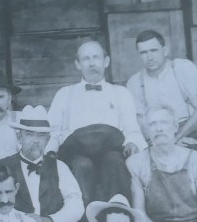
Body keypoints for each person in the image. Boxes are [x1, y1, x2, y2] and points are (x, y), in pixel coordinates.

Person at [46, 39, 145, 203]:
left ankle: (116, 211)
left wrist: (132, 143)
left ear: (106, 61)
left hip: (112, 154)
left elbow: (131, 129)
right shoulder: (65, 94)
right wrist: (50, 152)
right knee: (82, 165)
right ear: (78, 64)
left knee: (114, 161)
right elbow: (52, 130)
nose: (92, 63)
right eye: (86, 59)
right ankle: (82, 215)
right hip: (75, 155)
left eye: (96, 57)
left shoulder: (121, 93)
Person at [0, 105, 85, 222]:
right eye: (29, 134)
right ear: (19, 137)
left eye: (41, 135)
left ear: (48, 140)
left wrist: (49, 220)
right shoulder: (3, 167)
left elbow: (76, 204)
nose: (36, 140)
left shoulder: (59, 167)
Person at [125, 30, 197, 150]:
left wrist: (178, 137)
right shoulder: (134, 82)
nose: (149, 57)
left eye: (154, 50)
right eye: (143, 52)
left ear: (165, 51)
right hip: (155, 136)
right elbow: (140, 121)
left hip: (191, 130)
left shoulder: (182, 68)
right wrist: (162, 141)